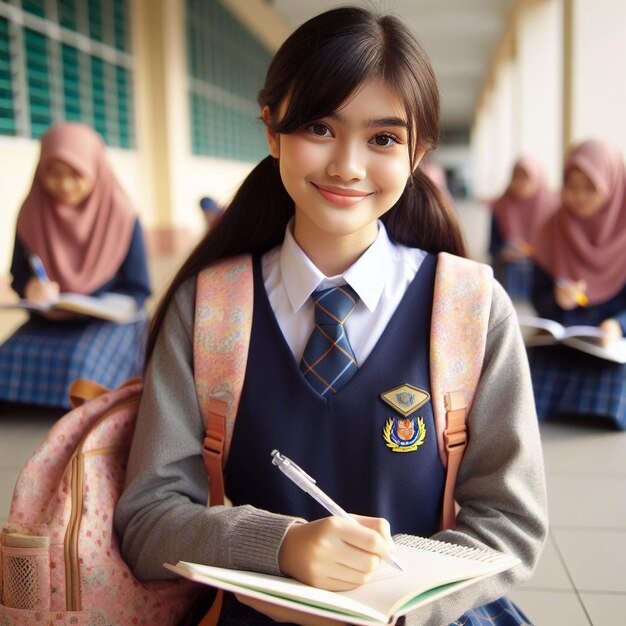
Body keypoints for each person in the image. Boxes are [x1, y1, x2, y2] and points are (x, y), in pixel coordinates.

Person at [115, 7, 547, 625]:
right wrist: (281, 548)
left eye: (383, 138)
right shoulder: (210, 310)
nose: (347, 165)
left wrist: (391, 602)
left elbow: (511, 523)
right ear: (272, 130)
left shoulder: (470, 310)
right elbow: (149, 516)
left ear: (418, 152)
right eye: (319, 126)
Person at [0, 122, 151, 409]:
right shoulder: (31, 212)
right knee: (8, 355)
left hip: (107, 320)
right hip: (50, 318)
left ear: (95, 169)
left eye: (75, 174)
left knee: (80, 361)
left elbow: (138, 288)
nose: (64, 185)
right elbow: (18, 273)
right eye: (53, 174)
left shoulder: (121, 214)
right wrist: (29, 287)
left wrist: (92, 303)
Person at [529, 138, 626, 429]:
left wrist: (618, 325)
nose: (579, 196)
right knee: (529, 370)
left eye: (590, 188)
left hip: (612, 343)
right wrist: (557, 300)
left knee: (617, 375)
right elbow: (538, 295)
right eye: (572, 186)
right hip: (566, 339)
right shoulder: (551, 228)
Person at [488, 156, 558, 299]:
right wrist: (503, 252)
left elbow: (558, 251)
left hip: (542, 286)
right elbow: (492, 247)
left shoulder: (552, 208)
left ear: (537, 179)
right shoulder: (501, 206)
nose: (520, 183)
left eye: (525, 178)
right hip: (507, 285)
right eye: (516, 177)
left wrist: (534, 253)